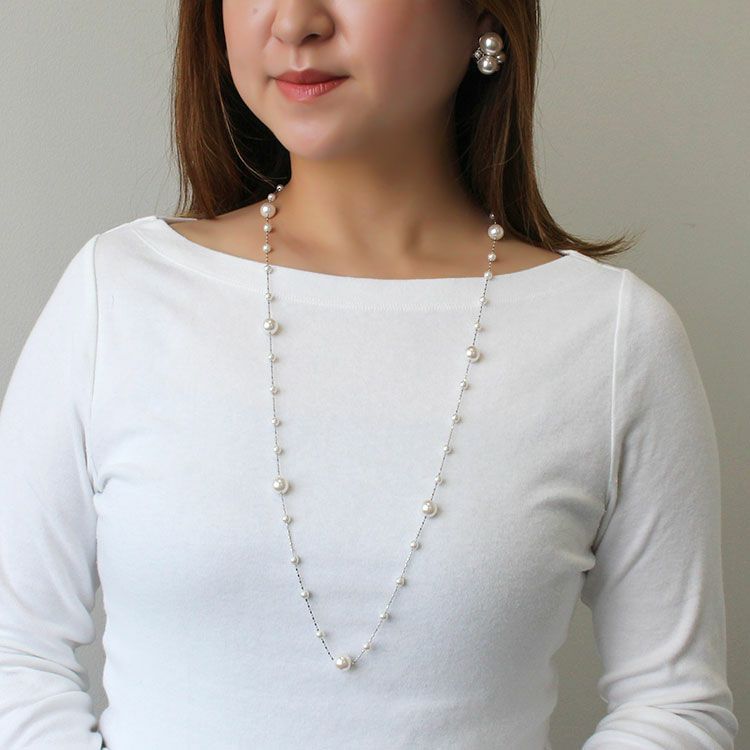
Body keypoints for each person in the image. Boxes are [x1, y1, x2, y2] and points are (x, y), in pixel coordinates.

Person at [0, 1, 738, 748]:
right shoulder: (120, 293)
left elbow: (675, 707)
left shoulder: (612, 338)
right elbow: (14, 658)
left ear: (485, 18)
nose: (295, 22)